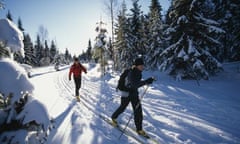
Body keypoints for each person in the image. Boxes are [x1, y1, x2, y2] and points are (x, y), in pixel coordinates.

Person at [111, 58, 154, 136]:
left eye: (142, 65)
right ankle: (114, 117)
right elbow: (135, 84)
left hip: (133, 93)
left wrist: (146, 82)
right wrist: (146, 81)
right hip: (126, 93)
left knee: (138, 111)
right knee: (123, 107)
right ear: (136, 65)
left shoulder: (139, 72)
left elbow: (135, 84)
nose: (142, 67)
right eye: (141, 65)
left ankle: (139, 129)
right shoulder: (131, 72)